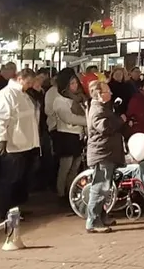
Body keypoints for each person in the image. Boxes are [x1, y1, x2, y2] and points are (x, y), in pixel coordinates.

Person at [0, 68, 41, 220]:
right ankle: (6, 210)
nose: (30, 85)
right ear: (20, 79)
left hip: (26, 143)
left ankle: (15, 209)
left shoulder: (24, 94)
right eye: (28, 82)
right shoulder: (6, 94)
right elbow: (0, 119)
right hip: (13, 145)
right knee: (10, 179)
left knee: (20, 180)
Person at [84, 79, 128, 233]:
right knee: (100, 187)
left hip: (107, 151)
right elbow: (105, 128)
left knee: (105, 187)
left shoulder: (104, 107)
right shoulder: (97, 110)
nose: (110, 93)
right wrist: (120, 120)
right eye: (107, 91)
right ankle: (93, 221)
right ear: (99, 94)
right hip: (102, 153)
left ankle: (102, 216)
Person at [53, 69, 88, 205]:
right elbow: (69, 118)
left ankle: (71, 191)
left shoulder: (79, 98)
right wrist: (88, 121)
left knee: (75, 166)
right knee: (65, 167)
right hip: (66, 136)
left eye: (76, 83)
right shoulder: (59, 100)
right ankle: (61, 192)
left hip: (78, 135)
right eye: (72, 83)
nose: (75, 86)